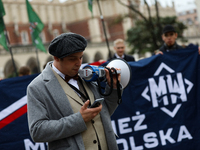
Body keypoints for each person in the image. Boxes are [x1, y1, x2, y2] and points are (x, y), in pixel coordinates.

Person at [27, 32, 122, 150]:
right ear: (56, 58)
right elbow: (37, 131)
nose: (79, 63)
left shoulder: (87, 74)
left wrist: (113, 87)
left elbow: (104, 113)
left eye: (81, 57)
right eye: (72, 59)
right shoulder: (37, 87)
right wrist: (79, 120)